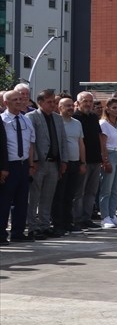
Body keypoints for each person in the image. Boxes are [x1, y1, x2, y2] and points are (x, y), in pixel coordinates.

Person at [26, 89, 67, 240]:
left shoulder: (57, 118)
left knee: (47, 197)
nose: (53, 105)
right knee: (34, 197)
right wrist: (33, 161)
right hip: (39, 163)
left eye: (54, 102)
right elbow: (31, 141)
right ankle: (32, 227)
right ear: (40, 102)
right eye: (49, 102)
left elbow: (62, 140)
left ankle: (44, 225)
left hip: (54, 163)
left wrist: (64, 160)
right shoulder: (31, 117)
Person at [1, 90, 35, 243]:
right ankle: (1, 234)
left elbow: (30, 144)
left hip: (23, 165)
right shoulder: (2, 120)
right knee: (4, 201)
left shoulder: (26, 120)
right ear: (6, 103)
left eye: (21, 99)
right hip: (9, 165)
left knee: (21, 201)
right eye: (15, 100)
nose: (20, 102)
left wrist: (31, 164)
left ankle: (18, 232)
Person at [53, 96, 85, 234]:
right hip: (62, 163)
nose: (71, 108)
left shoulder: (77, 123)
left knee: (70, 195)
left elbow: (81, 143)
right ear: (59, 108)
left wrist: (82, 162)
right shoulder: (56, 122)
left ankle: (68, 222)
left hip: (75, 163)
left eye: (72, 105)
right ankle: (58, 224)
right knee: (59, 195)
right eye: (67, 106)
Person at [72, 92, 105, 230]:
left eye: (90, 101)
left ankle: (87, 217)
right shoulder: (74, 118)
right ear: (78, 103)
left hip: (95, 159)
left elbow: (99, 136)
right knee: (79, 192)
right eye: (85, 101)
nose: (88, 104)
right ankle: (77, 219)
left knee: (91, 191)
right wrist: (82, 162)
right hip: (82, 160)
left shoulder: (93, 117)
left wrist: (103, 156)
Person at [98, 99, 117, 228]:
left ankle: (112, 214)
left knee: (116, 188)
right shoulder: (103, 123)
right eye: (114, 107)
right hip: (110, 153)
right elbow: (103, 143)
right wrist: (105, 160)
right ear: (108, 109)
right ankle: (105, 216)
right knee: (106, 189)